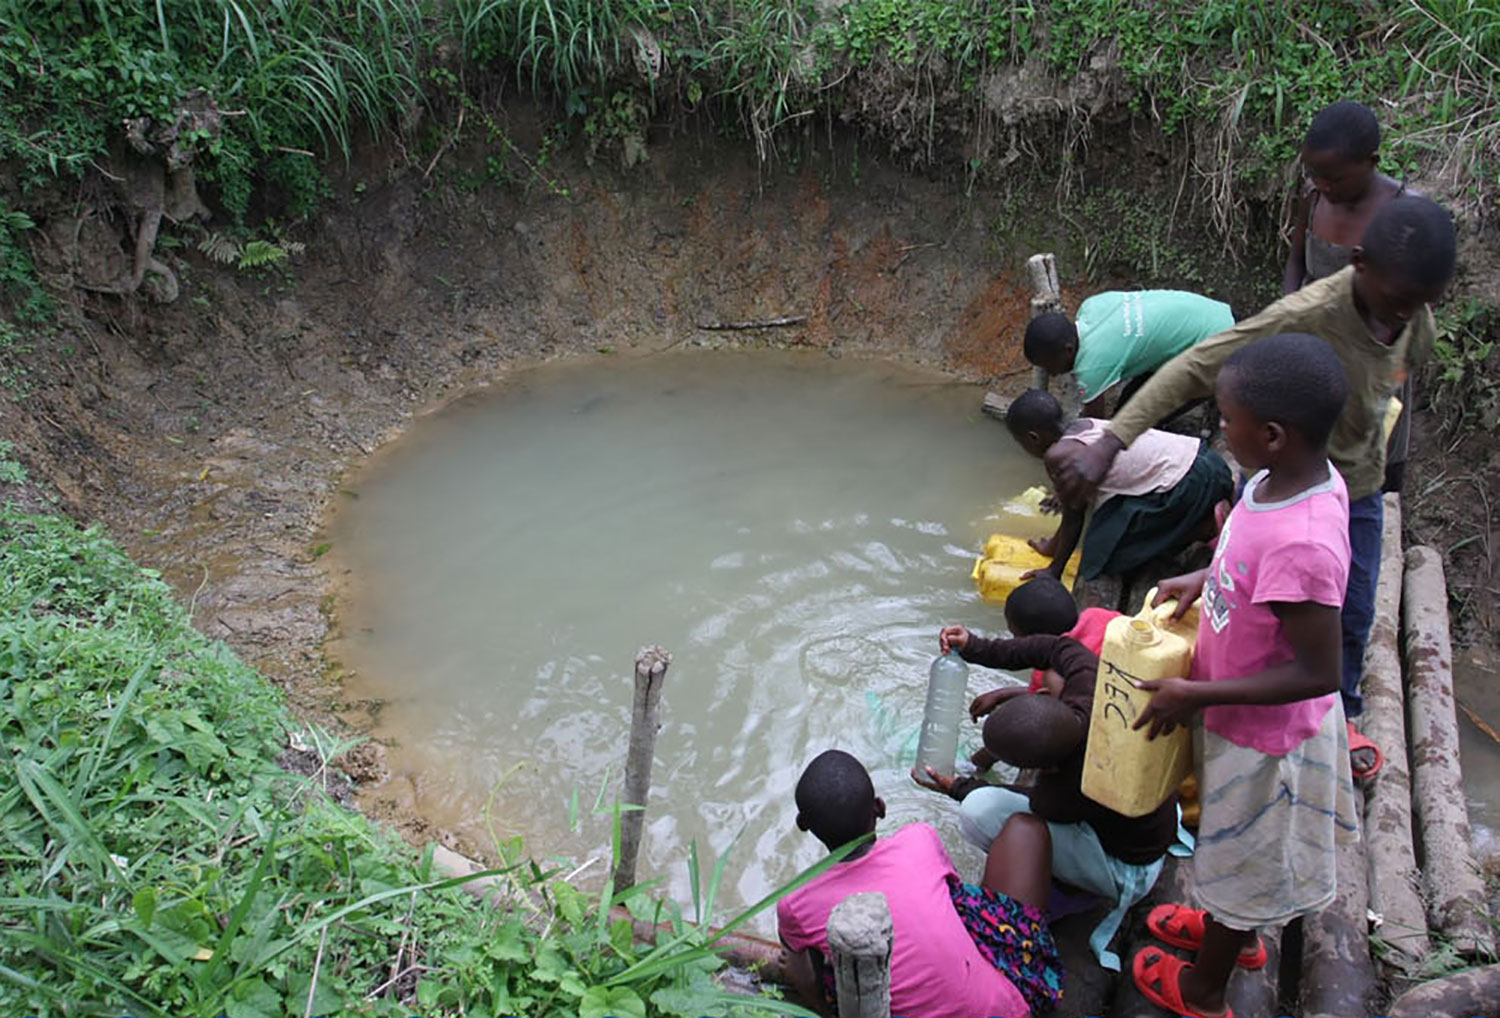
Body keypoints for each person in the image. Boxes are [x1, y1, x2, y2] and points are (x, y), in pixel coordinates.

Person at [1047, 195, 1456, 776]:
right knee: (1248, 609)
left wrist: (1395, 470)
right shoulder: (1309, 313)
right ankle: (1230, 716)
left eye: (1417, 306)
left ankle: (1340, 721)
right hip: (1278, 486)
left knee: (1351, 616)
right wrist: (1113, 440)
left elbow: (1396, 394)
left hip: (1351, 494)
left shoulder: (1414, 318)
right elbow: (1196, 366)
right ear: (1360, 266)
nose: (1402, 317)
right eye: (1396, 302)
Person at [1127, 333, 1358, 1018]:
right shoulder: (1271, 481)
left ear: (1274, 434)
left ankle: (1203, 988)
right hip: (1234, 719)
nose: (1221, 430)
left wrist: (1196, 694)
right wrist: (1207, 577)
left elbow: (1319, 670)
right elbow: (1247, 554)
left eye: (1227, 420)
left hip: (1269, 741)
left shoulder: (1306, 540)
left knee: (1249, 854)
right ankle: (1231, 931)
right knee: (1232, 843)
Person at [915, 628, 1179, 971]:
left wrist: (958, 787)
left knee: (982, 812)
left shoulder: (1073, 788)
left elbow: (1032, 804)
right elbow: (1056, 646)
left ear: (1049, 767)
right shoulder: (1090, 689)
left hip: (1130, 870)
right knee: (1055, 670)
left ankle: (1069, 887)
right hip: (1154, 818)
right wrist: (977, 646)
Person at [777, 749, 1064, 1018]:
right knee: (1024, 831)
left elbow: (803, 976)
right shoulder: (919, 838)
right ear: (879, 808)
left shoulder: (796, 904)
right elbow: (961, 904)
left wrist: (820, 1008)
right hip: (1010, 1007)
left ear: (804, 824)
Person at [1283, 99, 1415, 493]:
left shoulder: (1405, 212)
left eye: (1335, 178)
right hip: (1313, 338)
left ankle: (1379, 510)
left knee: (1373, 447)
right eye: (1315, 174)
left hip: (1374, 349)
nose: (1323, 184)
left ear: (1371, 162)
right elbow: (1295, 264)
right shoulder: (1315, 197)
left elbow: (1415, 303)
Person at [1004, 389, 1231, 582]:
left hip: (1192, 484)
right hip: (1207, 462)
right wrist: (1052, 547)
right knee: (1111, 514)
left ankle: (1205, 527)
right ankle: (1201, 516)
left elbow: (1074, 519)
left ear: (1033, 438)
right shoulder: (1084, 425)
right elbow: (1070, 510)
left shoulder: (1058, 455)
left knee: (1105, 555)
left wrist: (1054, 571)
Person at [941, 575, 1120, 770]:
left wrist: (974, 765)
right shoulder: (1100, 617)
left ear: (1030, 643)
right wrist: (1003, 694)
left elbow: (1029, 726)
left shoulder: (1051, 675)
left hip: (1102, 739)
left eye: (1015, 636)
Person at [1022, 290, 1234, 418]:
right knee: (1130, 403)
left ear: (1069, 350)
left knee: (1135, 420)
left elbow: (1096, 428)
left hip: (1221, 350)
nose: (1050, 373)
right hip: (1217, 314)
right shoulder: (1092, 306)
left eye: (1049, 365)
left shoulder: (1092, 366)